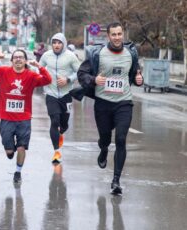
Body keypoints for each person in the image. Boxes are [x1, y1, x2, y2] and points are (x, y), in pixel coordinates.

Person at [75, 22, 143, 195]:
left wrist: (139, 78)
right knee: (105, 138)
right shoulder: (97, 54)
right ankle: (104, 149)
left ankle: (116, 181)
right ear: (108, 36)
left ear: (123, 34)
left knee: (120, 139)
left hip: (124, 103)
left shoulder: (131, 53)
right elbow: (81, 74)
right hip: (103, 103)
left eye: (120, 34)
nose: (117, 37)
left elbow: (135, 74)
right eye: (114, 34)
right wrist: (93, 80)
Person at [0, 49, 52, 183]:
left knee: (21, 147)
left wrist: (39, 67)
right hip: (7, 118)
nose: (18, 59)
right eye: (15, 57)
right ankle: (9, 150)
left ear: (25, 61)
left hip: (24, 118)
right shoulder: (2, 72)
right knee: (9, 151)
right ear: (11, 60)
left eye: (21, 57)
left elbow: (48, 80)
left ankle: (18, 172)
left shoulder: (31, 76)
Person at [39, 33, 80, 164]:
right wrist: (40, 78)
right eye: (54, 42)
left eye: (59, 43)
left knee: (64, 124)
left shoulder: (71, 56)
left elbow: (79, 72)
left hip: (66, 94)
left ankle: (61, 132)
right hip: (50, 93)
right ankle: (56, 152)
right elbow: (39, 68)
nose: (56, 45)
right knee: (54, 121)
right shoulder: (46, 55)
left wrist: (68, 79)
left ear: (63, 44)